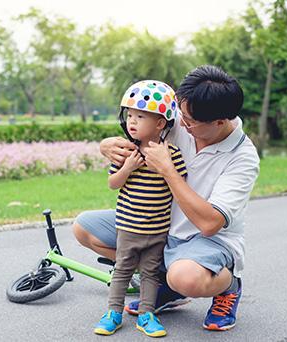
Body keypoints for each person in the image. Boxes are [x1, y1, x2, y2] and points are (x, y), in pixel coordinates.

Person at [74, 65, 260, 332]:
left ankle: (228, 286)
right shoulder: (183, 120)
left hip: (206, 239)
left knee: (186, 278)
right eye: (180, 114)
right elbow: (139, 127)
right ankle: (166, 285)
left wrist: (168, 171)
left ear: (220, 122)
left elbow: (210, 224)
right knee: (84, 229)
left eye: (189, 121)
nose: (181, 123)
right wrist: (106, 145)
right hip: (158, 222)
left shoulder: (243, 157)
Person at [92, 80, 187, 337]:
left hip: (157, 230)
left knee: (150, 273)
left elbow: (180, 185)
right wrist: (127, 168)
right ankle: (113, 312)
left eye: (141, 116)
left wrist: (165, 168)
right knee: (121, 270)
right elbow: (113, 184)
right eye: (130, 115)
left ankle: (147, 314)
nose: (132, 121)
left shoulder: (171, 154)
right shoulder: (125, 152)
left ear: (160, 123)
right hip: (128, 227)